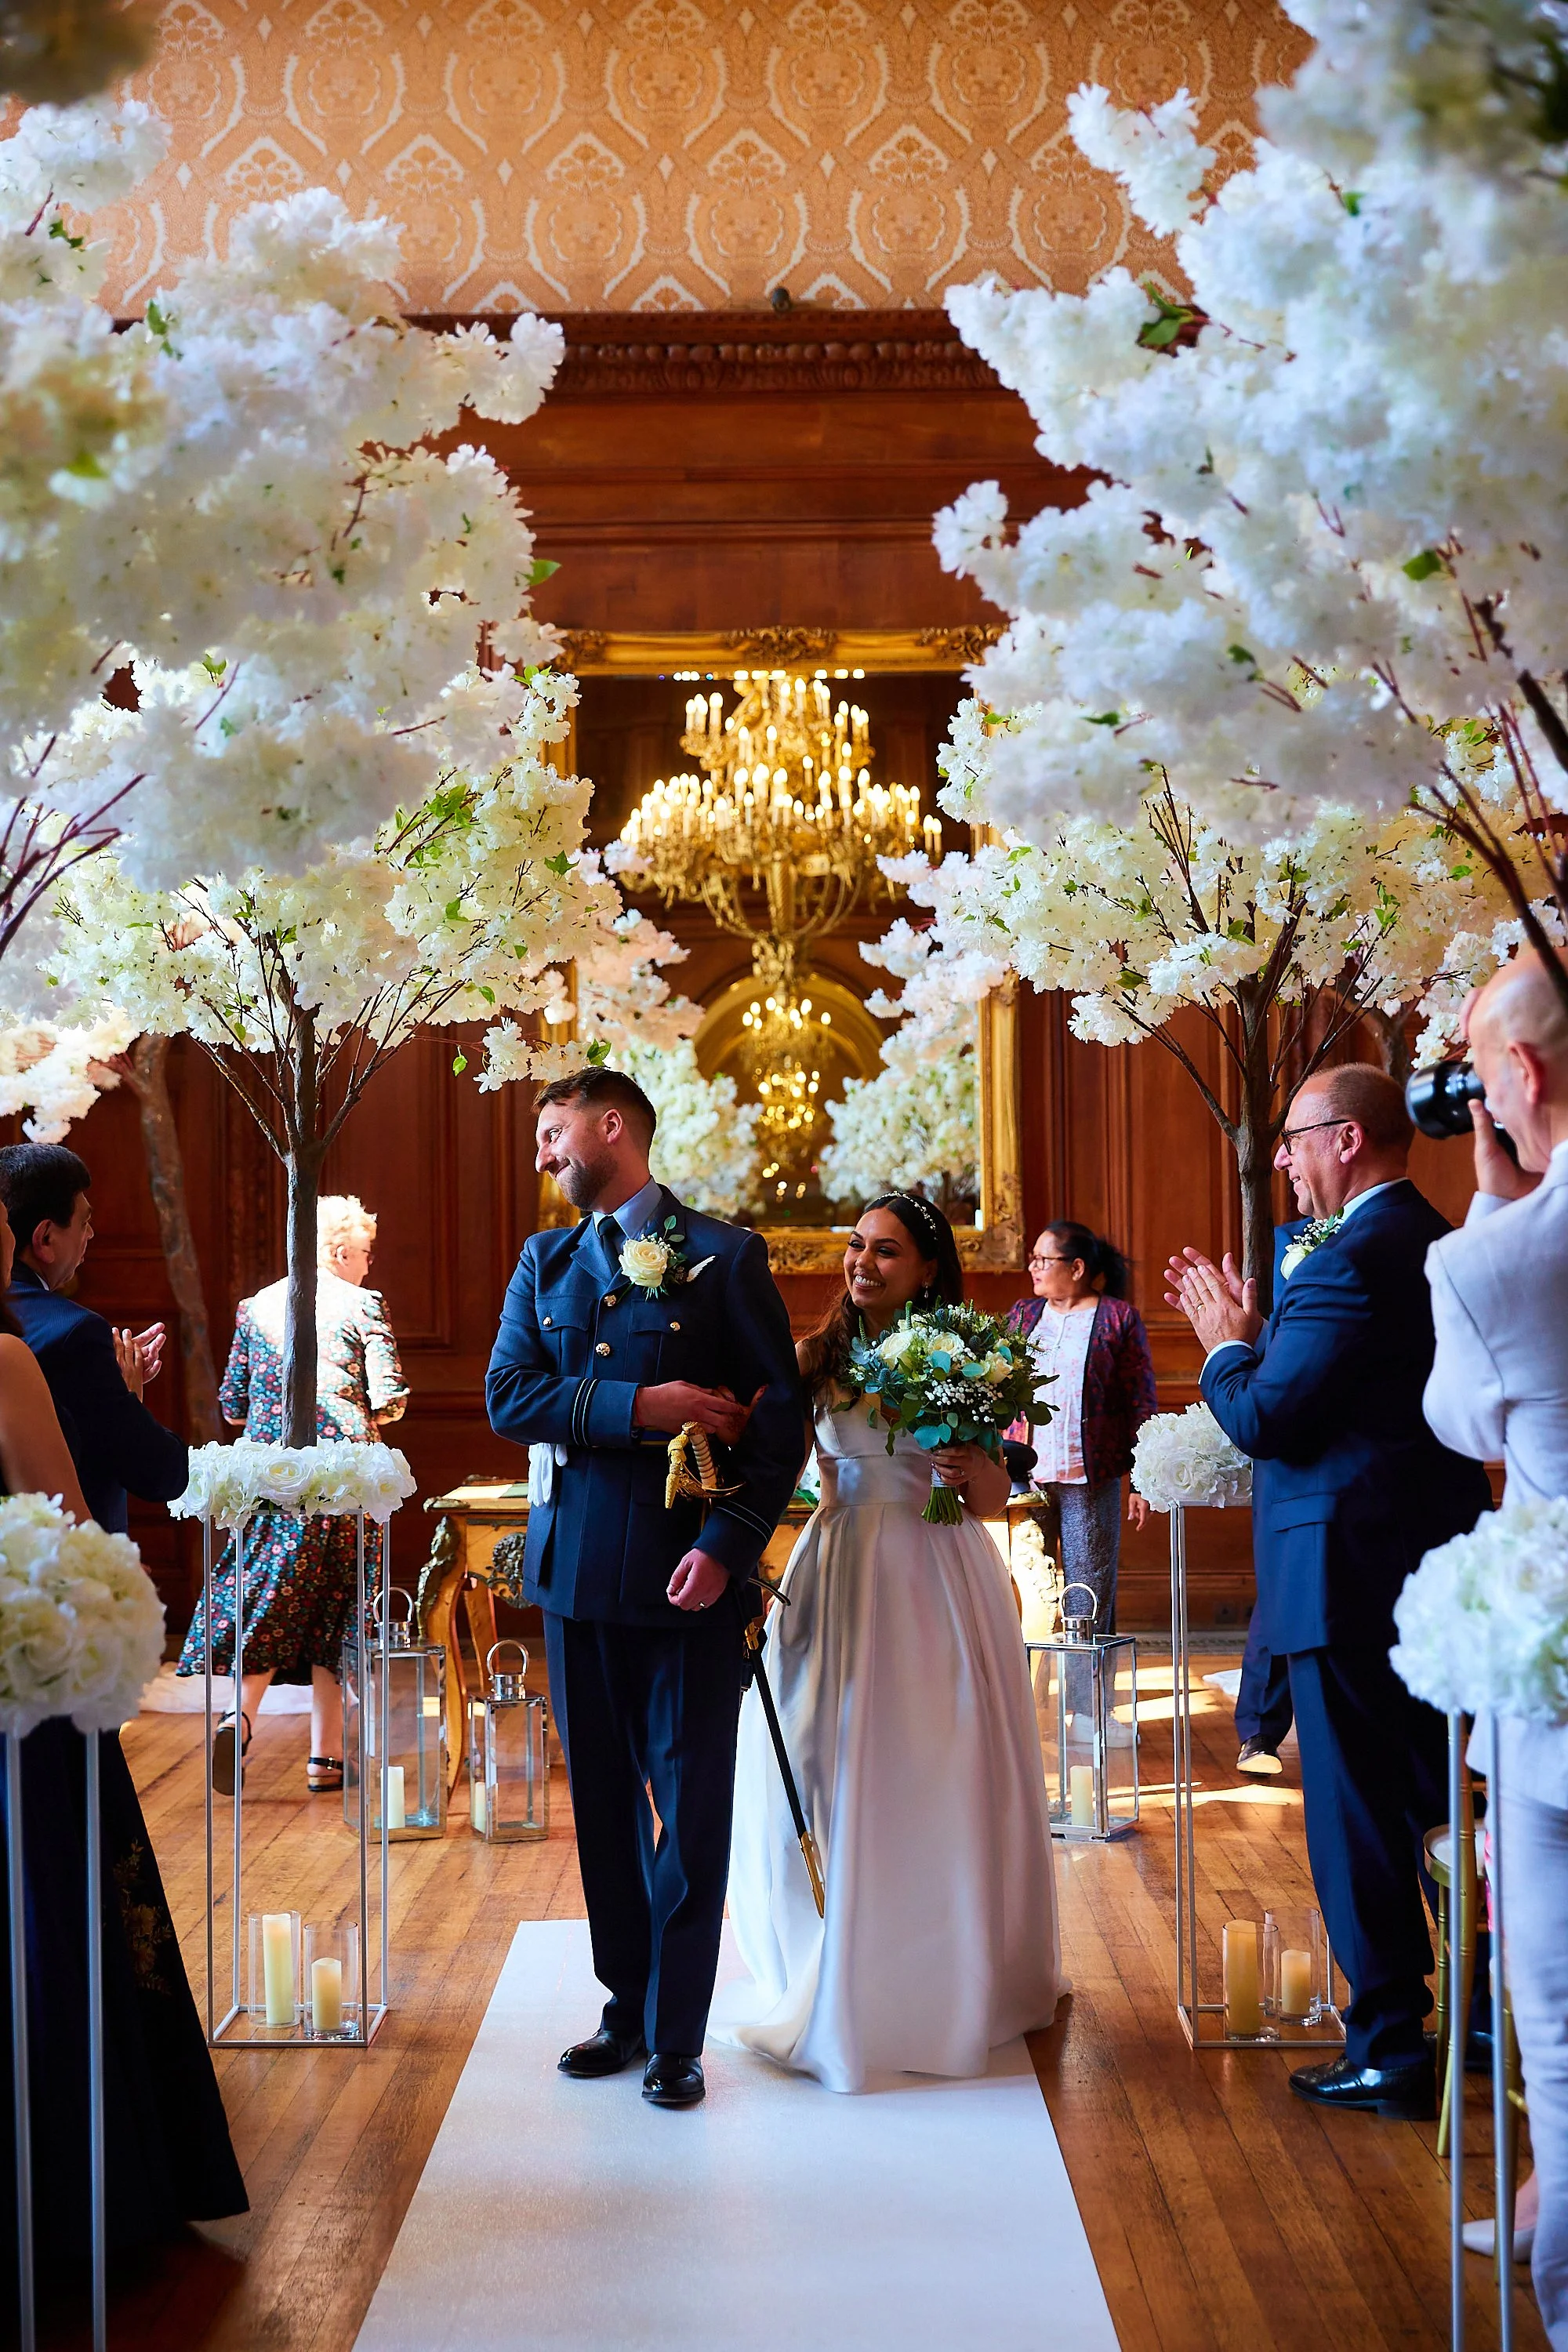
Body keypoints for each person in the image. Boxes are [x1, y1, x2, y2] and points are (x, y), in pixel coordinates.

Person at [1165, 1063, 1491, 2118]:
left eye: (1295, 1139)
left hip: (1344, 1576)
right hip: (1412, 1564)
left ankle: (1393, 2048)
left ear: (1346, 1140)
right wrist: (1264, 1342)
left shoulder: (1350, 1261)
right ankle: (1476, 2022)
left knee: (1358, 1824)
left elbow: (1269, 1419)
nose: (1283, 1162)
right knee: (1433, 1803)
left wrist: (1225, 1346)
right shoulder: (1427, 1238)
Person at [485, 1068, 804, 2111]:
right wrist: (645, 1403)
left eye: (552, 1130)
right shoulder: (546, 1260)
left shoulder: (724, 1256)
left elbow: (776, 1423)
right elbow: (510, 1396)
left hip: (687, 1580)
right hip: (577, 1576)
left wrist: (727, 1546)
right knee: (605, 1810)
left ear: (609, 1125)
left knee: (694, 1804)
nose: (543, 1153)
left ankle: (678, 2035)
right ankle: (626, 2010)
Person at [713, 1193, 1062, 2092]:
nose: (861, 1263)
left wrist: (968, 1466)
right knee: (819, 1752)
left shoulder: (966, 1360)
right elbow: (774, 1475)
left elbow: (987, 1500)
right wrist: (731, 1558)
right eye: (856, 1246)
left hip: (939, 1572)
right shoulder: (812, 1360)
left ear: (927, 1270)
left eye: (886, 1251)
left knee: (937, 1760)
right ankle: (825, 1949)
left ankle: (940, 1963)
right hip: (839, 1571)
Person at [0, 1196, 246, 2270]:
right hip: (23, 1693)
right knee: (54, 1914)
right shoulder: (13, 1358)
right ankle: (76, 2204)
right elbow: (71, 1533)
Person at [1423, 947, 1568, 2341]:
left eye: (1478, 1073)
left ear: (1520, 1075)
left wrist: (1491, 1193)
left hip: (1557, 1676)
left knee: (1565, 2031)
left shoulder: (1492, 1261)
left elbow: (1464, 1425)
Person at [177, 1194, 408, 1796]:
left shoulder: (255, 1306)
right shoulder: (363, 1305)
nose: (369, 1265)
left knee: (266, 1601)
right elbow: (390, 1396)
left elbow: (231, 1405)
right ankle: (324, 1756)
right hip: (345, 1479)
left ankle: (242, 1717)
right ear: (338, 1250)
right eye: (366, 1253)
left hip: (268, 1476)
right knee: (344, 1608)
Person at [1009, 1220, 1156, 1732]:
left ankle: (1089, 1712)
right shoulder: (1024, 1315)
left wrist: (1139, 1480)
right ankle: (1019, 1709)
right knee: (1024, 1593)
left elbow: (1140, 1400)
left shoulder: (1118, 1319)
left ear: (1076, 1268)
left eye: (1043, 1259)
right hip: (1023, 1483)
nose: (1033, 1267)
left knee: (1087, 1594)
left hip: (1088, 1476)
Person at [0, 1142, 187, 1533]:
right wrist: (128, 1396)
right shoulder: (74, 1333)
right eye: (84, 1222)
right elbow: (158, 1472)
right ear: (45, 1239)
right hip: (59, 1567)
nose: (92, 1233)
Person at [1232, 1217, 1307, 1777]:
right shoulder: (1290, 1238)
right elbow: (1282, 1341)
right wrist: (1250, 1334)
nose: (1285, 1164)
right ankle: (1257, 1732)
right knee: (1275, 1598)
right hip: (1280, 1453)